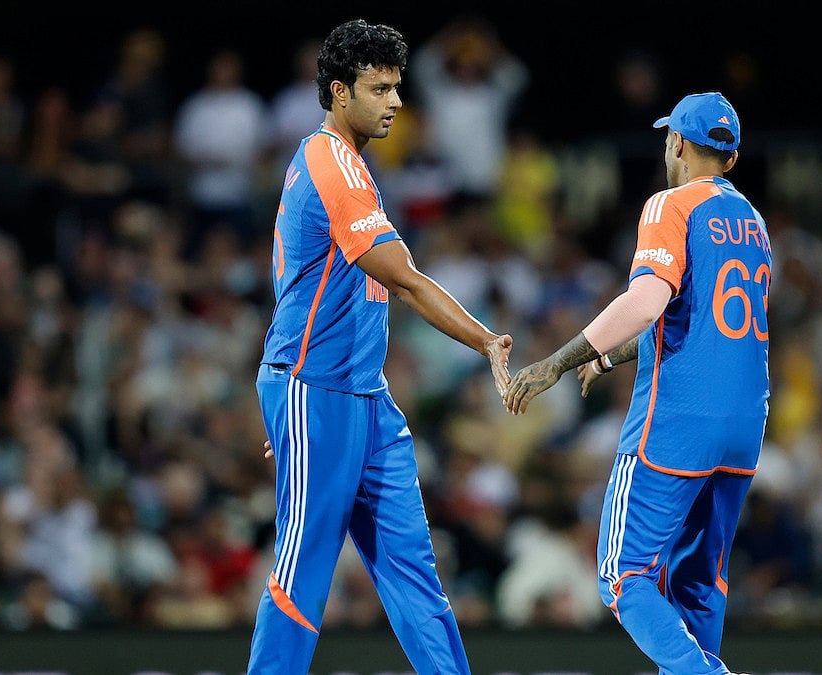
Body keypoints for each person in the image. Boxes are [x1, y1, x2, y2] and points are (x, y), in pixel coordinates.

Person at [245, 19, 512, 675]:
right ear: (340, 92)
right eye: (380, 88)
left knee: (414, 571)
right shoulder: (330, 162)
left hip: (362, 395)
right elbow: (404, 279)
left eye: (397, 86)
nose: (395, 101)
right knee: (304, 568)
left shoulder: (352, 164)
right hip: (318, 389)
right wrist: (485, 340)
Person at [505, 91, 770, 675]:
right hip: (745, 426)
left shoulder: (671, 205)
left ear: (676, 142)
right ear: (731, 156)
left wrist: (558, 361)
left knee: (622, 576)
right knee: (699, 581)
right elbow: (700, 323)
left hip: (678, 422)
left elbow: (647, 301)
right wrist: (610, 357)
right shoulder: (752, 221)